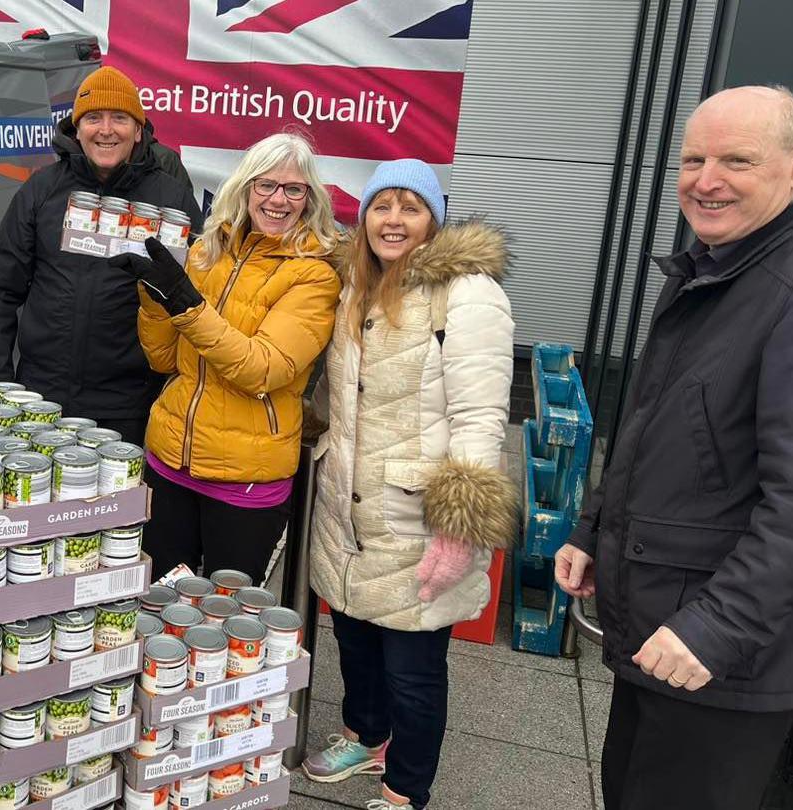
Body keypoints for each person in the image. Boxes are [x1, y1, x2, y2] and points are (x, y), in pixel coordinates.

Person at [554, 85, 793, 809]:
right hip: (663, 632)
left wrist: (716, 626)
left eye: (736, 160)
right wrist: (595, 526)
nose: (706, 179)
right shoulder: (710, 271)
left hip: (722, 660)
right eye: (693, 159)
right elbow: (657, 426)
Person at [302, 159, 515, 810]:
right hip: (348, 505)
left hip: (417, 515)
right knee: (356, 638)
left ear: (433, 219)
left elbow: (481, 416)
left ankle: (405, 790)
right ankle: (366, 736)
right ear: (363, 216)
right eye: (381, 205)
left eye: (410, 206)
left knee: (415, 669)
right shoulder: (352, 285)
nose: (393, 220)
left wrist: (459, 526)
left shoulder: (468, 293)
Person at [108, 133, 341, 584]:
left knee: (227, 622)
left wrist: (185, 305)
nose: (278, 199)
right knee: (159, 603)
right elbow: (162, 360)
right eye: (266, 185)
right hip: (169, 461)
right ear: (245, 188)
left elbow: (262, 369)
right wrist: (155, 298)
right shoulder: (205, 251)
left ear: (309, 199)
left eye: (294, 189)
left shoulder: (314, 276)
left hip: (244, 482)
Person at [0, 66, 201, 444]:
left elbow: (196, 298)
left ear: (139, 129)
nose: (106, 129)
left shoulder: (171, 199)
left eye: (120, 118)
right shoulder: (42, 189)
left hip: (126, 401)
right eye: (93, 118)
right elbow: (0, 289)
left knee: (113, 504)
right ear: (76, 129)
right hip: (38, 396)